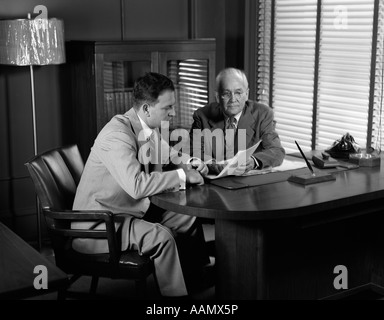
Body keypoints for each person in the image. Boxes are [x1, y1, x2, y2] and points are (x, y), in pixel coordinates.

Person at [72, 72, 210, 298]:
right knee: (162, 238)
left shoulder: (146, 127)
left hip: (127, 213)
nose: (173, 112)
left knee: (188, 216)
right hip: (99, 225)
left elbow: (169, 154)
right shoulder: (117, 135)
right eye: (168, 107)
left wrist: (190, 162)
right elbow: (137, 186)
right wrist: (183, 176)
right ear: (147, 108)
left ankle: (197, 279)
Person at [190, 67, 285, 174]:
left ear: (247, 94)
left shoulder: (263, 114)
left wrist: (253, 161)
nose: (233, 99)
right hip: (214, 181)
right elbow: (194, 150)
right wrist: (213, 164)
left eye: (238, 93)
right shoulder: (202, 116)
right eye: (226, 94)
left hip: (250, 182)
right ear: (217, 96)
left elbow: (276, 151)